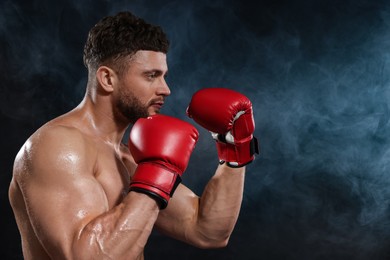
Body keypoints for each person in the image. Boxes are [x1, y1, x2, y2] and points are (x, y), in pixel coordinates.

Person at [8, 11, 259, 260]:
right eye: (151, 76)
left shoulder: (130, 157)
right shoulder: (59, 146)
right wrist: (156, 175)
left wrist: (235, 147)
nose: (166, 89)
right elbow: (83, 256)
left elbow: (207, 230)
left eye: (164, 76)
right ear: (107, 78)